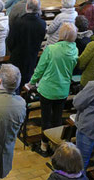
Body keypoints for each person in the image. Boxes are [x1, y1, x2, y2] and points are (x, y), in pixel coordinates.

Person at [27, 23, 79, 155]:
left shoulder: (51, 49)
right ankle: (56, 144)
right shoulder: (75, 49)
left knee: (46, 119)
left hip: (48, 89)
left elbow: (40, 68)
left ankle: (44, 146)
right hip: (63, 89)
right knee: (57, 118)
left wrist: (32, 82)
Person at [7, 0, 47, 87]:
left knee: (14, 80)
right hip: (31, 57)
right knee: (26, 80)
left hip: (17, 56)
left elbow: (10, 41)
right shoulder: (42, 24)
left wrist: (13, 51)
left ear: (27, 7)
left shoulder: (18, 22)